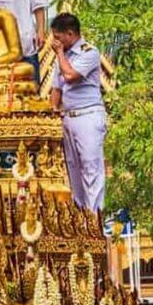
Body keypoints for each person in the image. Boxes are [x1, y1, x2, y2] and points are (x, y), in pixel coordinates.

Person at [49, 12, 107, 211]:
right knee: (73, 170)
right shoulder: (62, 56)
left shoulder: (89, 52)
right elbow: (56, 88)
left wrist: (59, 54)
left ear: (70, 33)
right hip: (68, 118)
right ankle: (81, 218)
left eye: (58, 37)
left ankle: (95, 219)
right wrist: (51, 115)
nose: (55, 41)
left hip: (88, 116)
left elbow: (71, 75)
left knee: (91, 167)